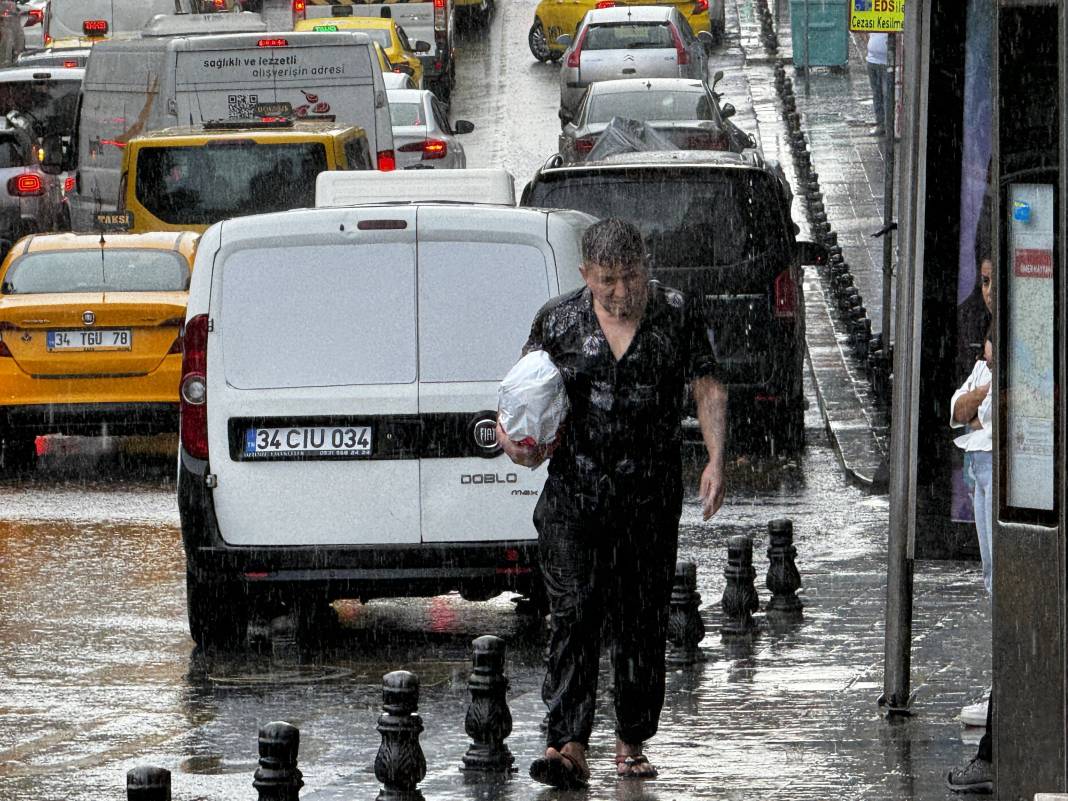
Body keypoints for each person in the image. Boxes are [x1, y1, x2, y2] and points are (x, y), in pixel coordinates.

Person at [497, 218, 727, 789]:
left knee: (640, 616)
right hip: (574, 497)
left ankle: (630, 738)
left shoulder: (677, 312)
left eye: (631, 278)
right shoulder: (557, 320)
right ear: (586, 276)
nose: (621, 293)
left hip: (647, 499)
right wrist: (515, 444)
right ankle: (568, 743)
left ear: (646, 266)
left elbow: (707, 386)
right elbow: (524, 397)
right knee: (574, 613)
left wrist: (716, 459)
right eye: (607, 281)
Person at [946, 331, 995, 795]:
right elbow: (961, 411)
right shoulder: (985, 358)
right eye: (982, 281)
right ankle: (1001, 688)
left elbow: (987, 418)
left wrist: (979, 406)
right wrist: (980, 396)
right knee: (990, 580)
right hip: (976, 465)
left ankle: (1005, 693)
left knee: (1002, 583)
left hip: (996, 465)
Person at [864, 32, 890, 137]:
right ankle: (881, 124)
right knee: (877, 94)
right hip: (871, 61)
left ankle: (888, 125)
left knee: (887, 94)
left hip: (885, 63)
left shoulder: (892, 16)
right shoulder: (873, 16)